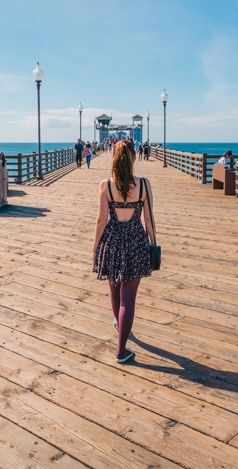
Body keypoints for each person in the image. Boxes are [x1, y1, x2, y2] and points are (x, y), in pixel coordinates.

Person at [92, 141, 155, 363]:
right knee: (129, 299)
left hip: (112, 240)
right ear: (134, 158)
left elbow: (101, 221)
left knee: (114, 288)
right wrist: (153, 245)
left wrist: (95, 248)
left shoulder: (106, 185)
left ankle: (119, 323)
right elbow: (148, 220)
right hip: (136, 241)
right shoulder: (144, 185)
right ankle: (121, 351)